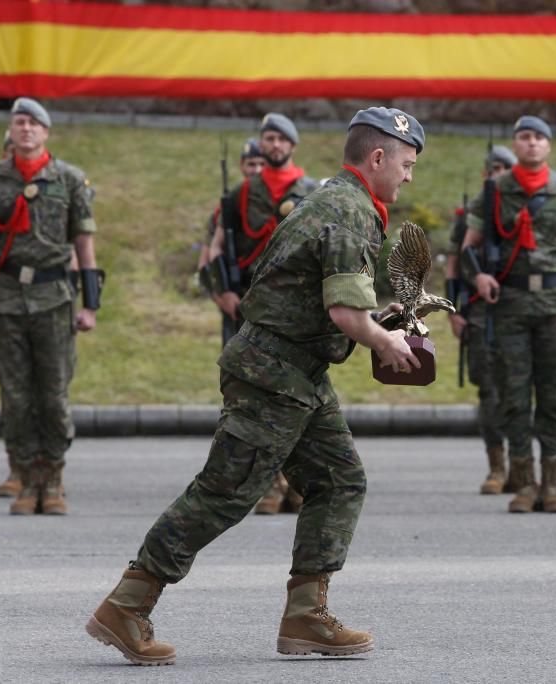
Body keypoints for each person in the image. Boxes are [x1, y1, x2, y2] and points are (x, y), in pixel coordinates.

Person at [85, 106, 425, 666]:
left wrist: (376, 319)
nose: (409, 176)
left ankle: (306, 617)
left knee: (340, 479)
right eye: (407, 164)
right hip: (274, 375)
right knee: (226, 491)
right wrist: (384, 342)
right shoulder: (349, 210)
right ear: (379, 156)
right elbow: (343, 311)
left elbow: (324, 300)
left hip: (299, 374)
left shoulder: (330, 200)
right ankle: (127, 604)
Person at [0, 98, 102, 516]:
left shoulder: (70, 180)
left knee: (53, 395)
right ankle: (26, 478)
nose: (25, 129)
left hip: (54, 299)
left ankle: (52, 479)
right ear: (12, 130)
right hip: (4, 298)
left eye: (33, 122)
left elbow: (85, 246)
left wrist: (90, 304)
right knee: (16, 398)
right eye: (19, 122)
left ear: (46, 132)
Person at [460, 116, 556, 514]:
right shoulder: (494, 192)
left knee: (552, 394)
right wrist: (479, 276)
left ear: (548, 146)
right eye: (524, 137)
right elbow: (468, 247)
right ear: (515, 144)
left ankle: (551, 485)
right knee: (515, 396)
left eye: (539, 137)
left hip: (555, 306)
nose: (532, 144)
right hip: (510, 306)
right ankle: (524, 482)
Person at [206, 114, 317, 516]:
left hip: (296, 315)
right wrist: (223, 292)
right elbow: (217, 249)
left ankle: (297, 483)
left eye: (280, 138)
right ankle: (269, 485)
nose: (273, 144)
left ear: (292, 145)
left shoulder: (312, 192)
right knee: (254, 402)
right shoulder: (240, 195)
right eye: (267, 138)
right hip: (250, 311)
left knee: (297, 400)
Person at [445, 144, 516, 495]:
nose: (498, 174)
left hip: (518, 310)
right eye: (493, 168)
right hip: (478, 311)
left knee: (518, 390)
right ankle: (497, 467)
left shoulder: (524, 209)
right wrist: (455, 311)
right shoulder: (472, 212)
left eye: (505, 168)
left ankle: (522, 467)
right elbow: (455, 264)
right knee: (488, 391)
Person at [196, 137, 266, 276]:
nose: (257, 170)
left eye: (262, 164)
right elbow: (210, 240)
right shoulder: (232, 200)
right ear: (242, 165)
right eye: (251, 164)